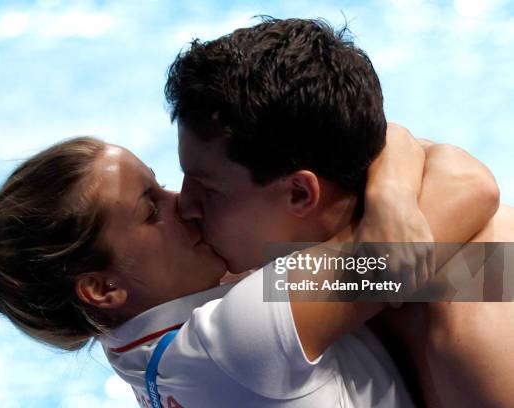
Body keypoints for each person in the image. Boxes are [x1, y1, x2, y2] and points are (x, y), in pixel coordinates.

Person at [0, 132, 499, 407]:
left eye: (160, 182)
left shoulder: (141, 344)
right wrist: (391, 200)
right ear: (104, 287)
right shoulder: (236, 338)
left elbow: (379, 140)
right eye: (150, 208)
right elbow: (469, 190)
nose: (184, 204)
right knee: (462, 298)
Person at [165, 16, 514, 407]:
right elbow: (398, 139)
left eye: (208, 189)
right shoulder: (299, 251)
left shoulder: (473, 344)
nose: (184, 205)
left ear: (300, 193)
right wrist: (392, 192)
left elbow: (471, 187)